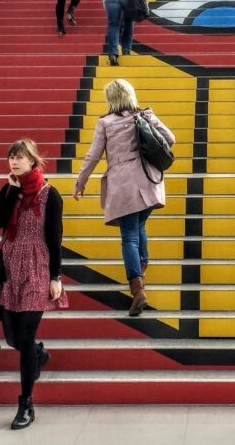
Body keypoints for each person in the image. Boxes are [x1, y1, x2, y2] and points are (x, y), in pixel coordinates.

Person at [73, 78, 175, 316]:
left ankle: (137, 289)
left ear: (111, 99)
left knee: (129, 236)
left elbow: (93, 156)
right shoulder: (146, 115)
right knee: (139, 226)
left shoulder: (106, 123)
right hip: (149, 181)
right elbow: (170, 138)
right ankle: (141, 274)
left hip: (123, 184)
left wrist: (80, 182)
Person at [0, 139, 65, 430]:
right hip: (9, 267)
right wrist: (11, 190)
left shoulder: (50, 194)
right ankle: (38, 354)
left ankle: (26, 404)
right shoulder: (8, 190)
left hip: (37, 267)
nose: (15, 162)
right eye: (11, 157)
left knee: (24, 335)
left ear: (33, 161)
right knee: (13, 338)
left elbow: (55, 238)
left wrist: (55, 277)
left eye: (20, 157)